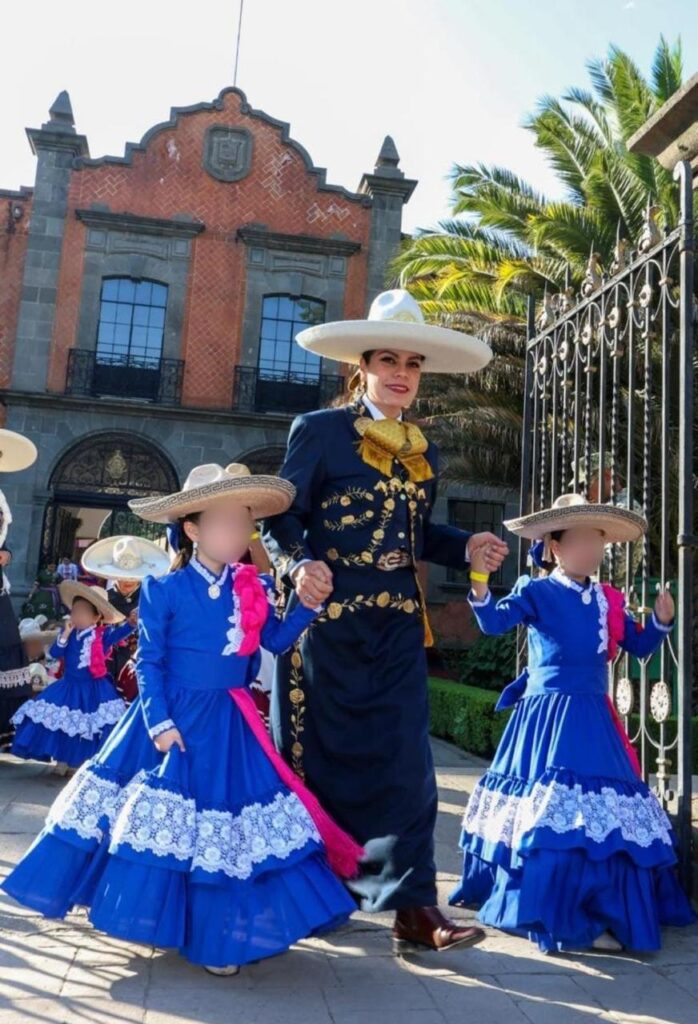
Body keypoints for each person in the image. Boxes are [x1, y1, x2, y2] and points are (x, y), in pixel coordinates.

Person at [2, 463, 361, 976]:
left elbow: (277, 641)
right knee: (154, 823)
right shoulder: (164, 590)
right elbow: (149, 663)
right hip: (171, 717)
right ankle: (158, 915)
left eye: (244, 523)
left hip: (230, 722)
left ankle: (219, 931)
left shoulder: (253, 586)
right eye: (226, 522)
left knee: (226, 828)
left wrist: (306, 605)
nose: (238, 533)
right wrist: (158, 722)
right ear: (193, 530)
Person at [264, 289, 509, 954]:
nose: (402, 373)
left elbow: (418, 534)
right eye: (388, 360)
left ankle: (415, 909)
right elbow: (281, 517)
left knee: (408, 767)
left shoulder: (423, 449)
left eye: (413, 363)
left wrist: (466, 545)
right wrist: (297, 566)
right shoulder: (319, 430)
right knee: (317, 762)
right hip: (326, 626)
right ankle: (309, 894)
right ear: (363, 367)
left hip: (399, 626)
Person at [451, 493, 694, 952]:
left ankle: (604, 910)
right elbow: (492, 623)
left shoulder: (608, 599)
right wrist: (479, 580)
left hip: (593, 715)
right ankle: (561, 913)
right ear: (555, 546)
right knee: (552, 815)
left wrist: (662, 623)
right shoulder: (536, 590)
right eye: (582, 540)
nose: (593, 549)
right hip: (547, 718)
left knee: (603, 816)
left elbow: (638, 646)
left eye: (597, 541)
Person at [10, 582, 133, 769]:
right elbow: (55, 653)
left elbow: (120, 633)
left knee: (87, 725)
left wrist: (131, 624)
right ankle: (62, 760)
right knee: (62, 721)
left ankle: (80, 763)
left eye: (83, 612)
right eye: (75, 611)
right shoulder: (68, 633)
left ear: (96, 617)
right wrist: (65, 635)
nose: (77, 616)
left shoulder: (102, 635)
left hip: (93, 688)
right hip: (68, 685)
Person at [81, 536, 172, 703]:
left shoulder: (151, 599)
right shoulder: (101, 600)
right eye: (122, 575)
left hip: (137, 669)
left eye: (132, 576)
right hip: (103, 667)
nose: (127, 580)